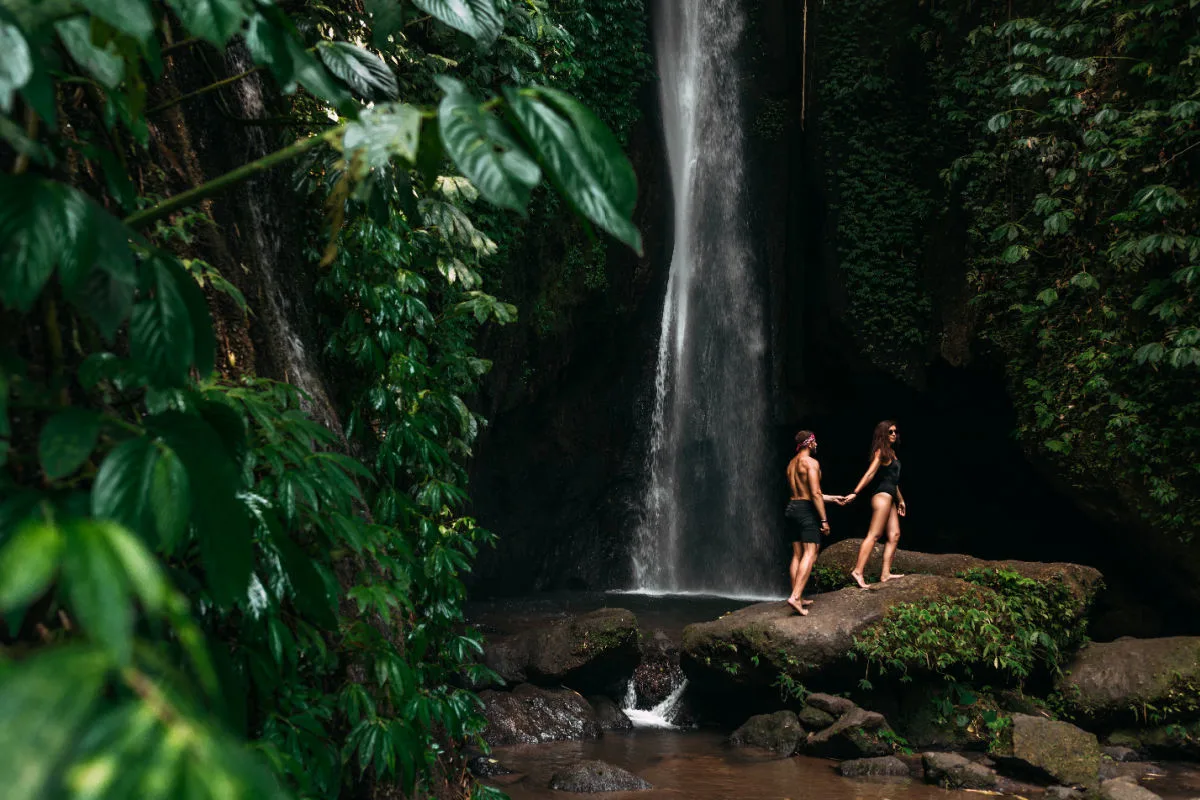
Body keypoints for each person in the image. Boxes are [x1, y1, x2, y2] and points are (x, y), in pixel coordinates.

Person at [784, 430, 846, 615]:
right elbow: (815, 494)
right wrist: (824, 520)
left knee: (797, 554)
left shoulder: (791, 464)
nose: (817, 444)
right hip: (805, 512)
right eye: (815, 441)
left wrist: (833, 498)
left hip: (792, 509)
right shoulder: (811, 463)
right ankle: (795, 597)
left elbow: (806, 493)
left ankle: (798, 595)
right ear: (809, 443)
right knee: (810, 553)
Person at [844, 420, 907, 588]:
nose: (894, 434)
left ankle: (885, 574)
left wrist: (900, 500)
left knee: (894, 535)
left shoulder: (892, 453)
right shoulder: (881, 452)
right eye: (890, 432)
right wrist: (855, 492)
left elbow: (894, 481)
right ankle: (858, 571)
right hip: (882, 496)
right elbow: (870, 474)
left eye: (895, 432)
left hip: (891, 496)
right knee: (875, 534)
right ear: (883, 434)